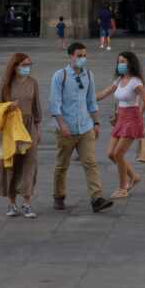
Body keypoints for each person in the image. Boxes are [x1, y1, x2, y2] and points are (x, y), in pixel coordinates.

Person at [48, 43, 113, 213]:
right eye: (79, 55)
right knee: (62, 165)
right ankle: (59, 195)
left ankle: (96, 198)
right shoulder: (59, 76)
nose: (82, 58)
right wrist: (62, 125)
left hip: (85, 127)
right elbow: (54, 104)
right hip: (66, 129)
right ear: (70, 56)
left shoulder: (88, 75)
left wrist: (96, 123)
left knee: (90, 163)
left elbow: (91, 101)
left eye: (84, 55)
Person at [0, 52, 41, 218]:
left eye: (29, 65)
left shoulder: (33, 83)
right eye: (24, 65)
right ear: (15, 66)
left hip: (29, 127)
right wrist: (8, 106)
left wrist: (38, 127)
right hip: (11, 128)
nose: (27, 68)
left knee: (30, 163)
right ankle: (11, 202)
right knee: (10, 164)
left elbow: (37, 108)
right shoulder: (6, 84)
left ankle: (27, 203)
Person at [97, 51, 145, 199]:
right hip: (121, 119)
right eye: (119, 61)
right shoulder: (119, 80)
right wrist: (86, 99)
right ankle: (134, 176)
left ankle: (122, 188)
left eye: (124, 61)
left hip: (132, 119)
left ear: (131, 63)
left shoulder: (135, 81)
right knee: (110, 154)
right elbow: (104, 93)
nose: (121, 64)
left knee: (118, 154)